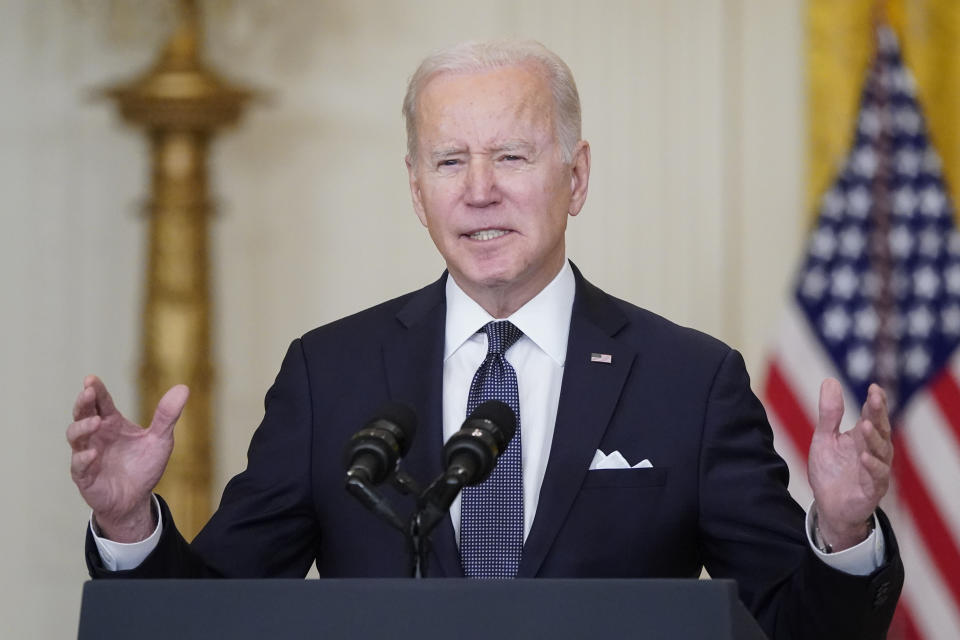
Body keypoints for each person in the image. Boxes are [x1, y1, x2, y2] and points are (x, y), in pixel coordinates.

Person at [68, 40, 902, 638]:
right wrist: (130, 520)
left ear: (575, 178)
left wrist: (841, 534)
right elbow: (209, 617)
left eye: (510, 156)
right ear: (415, 190)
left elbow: (792, 627)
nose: (479, 192)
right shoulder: (331, 373)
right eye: (448, 162)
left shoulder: (687, 379)